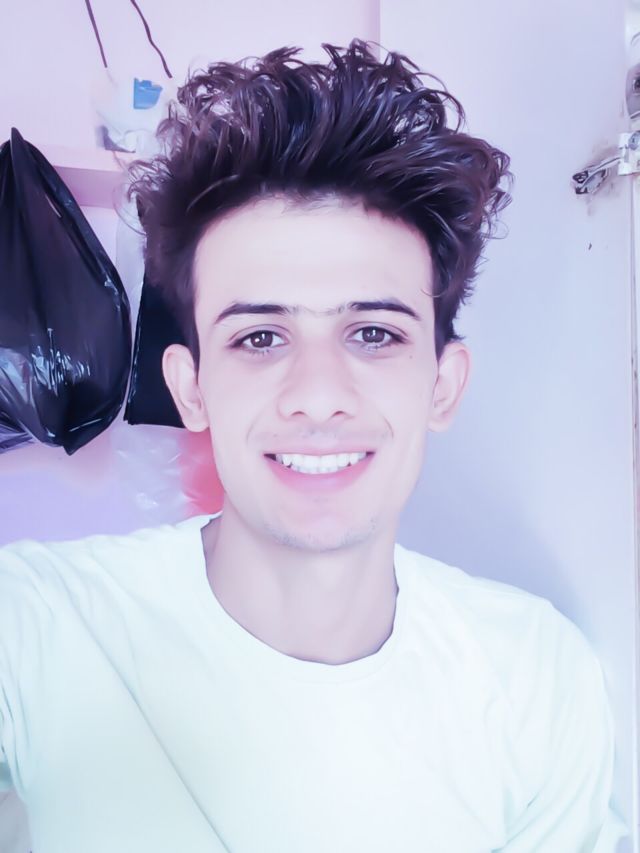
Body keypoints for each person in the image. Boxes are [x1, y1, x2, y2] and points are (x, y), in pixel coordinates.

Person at [0, 39, 626, 852]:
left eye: (374, 333)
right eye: (260, 337)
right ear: (191, 388)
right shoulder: (36, 623)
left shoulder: (538, 677)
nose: (319, 394)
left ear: (443, 385)